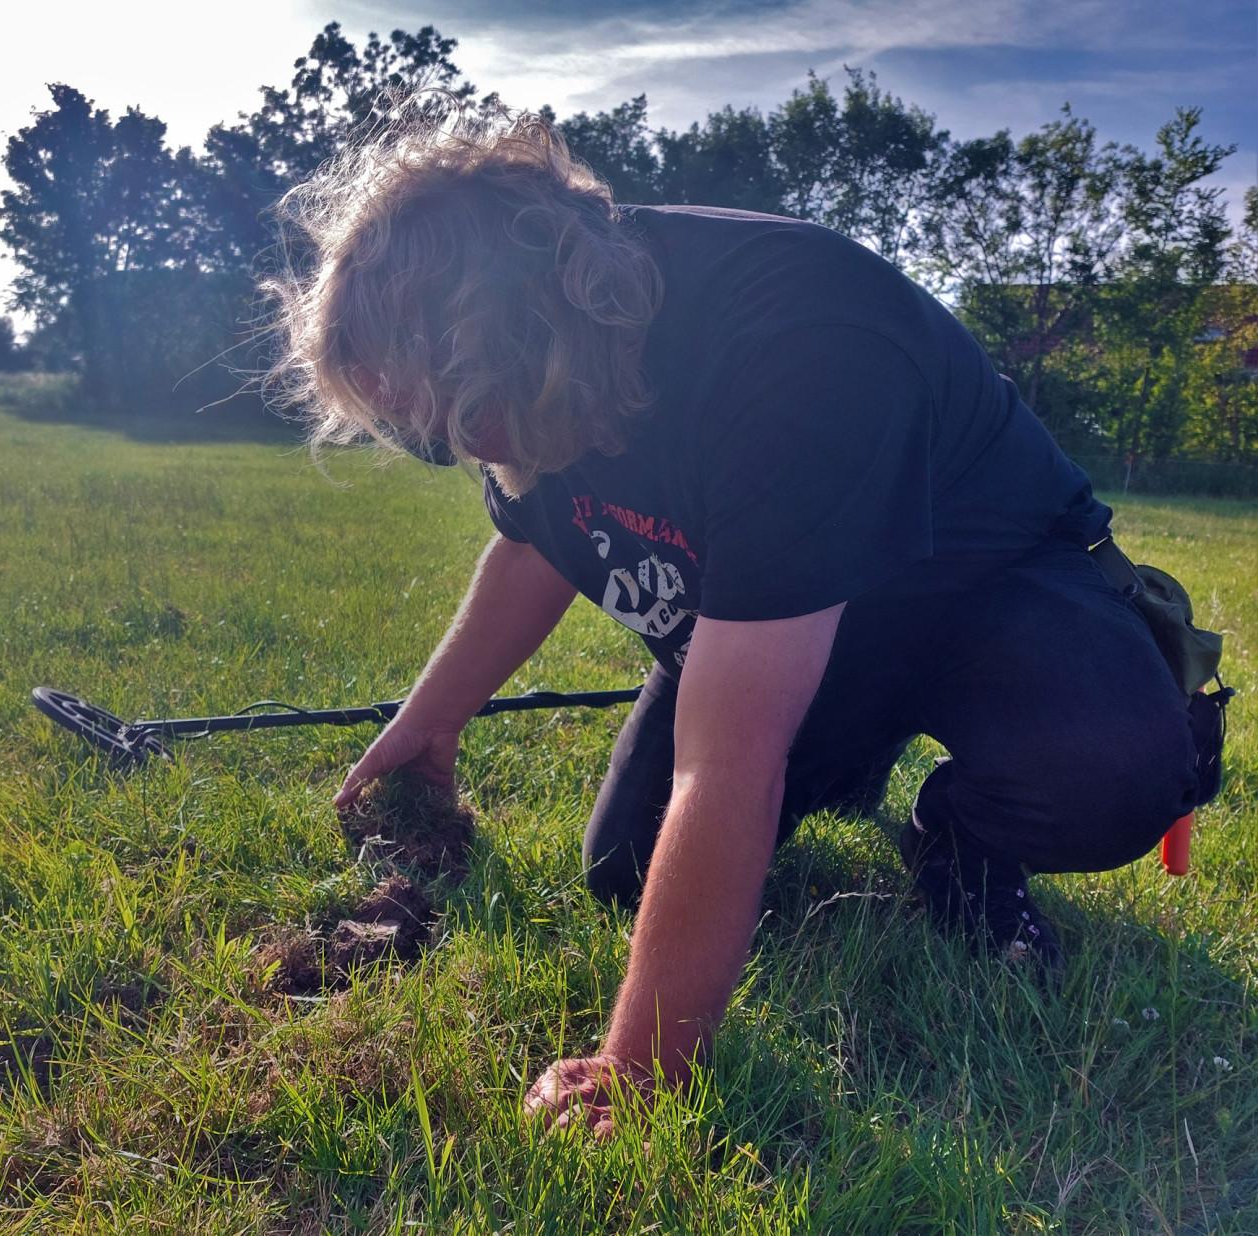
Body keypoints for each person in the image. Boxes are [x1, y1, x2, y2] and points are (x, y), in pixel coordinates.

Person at [268, 108, 1199, 1136]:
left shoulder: (798, 338)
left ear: (537, 343)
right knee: (626, 869)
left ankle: (961, 840)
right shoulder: (537, 381)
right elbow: (534, 540)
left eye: (449, 422)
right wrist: (431, 720)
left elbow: (732, 750)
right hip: (774, 619)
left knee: (1108, 770)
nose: (451, 451)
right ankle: (848, 756)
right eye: (418, 438)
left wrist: (641, 1065)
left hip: (984, 593)